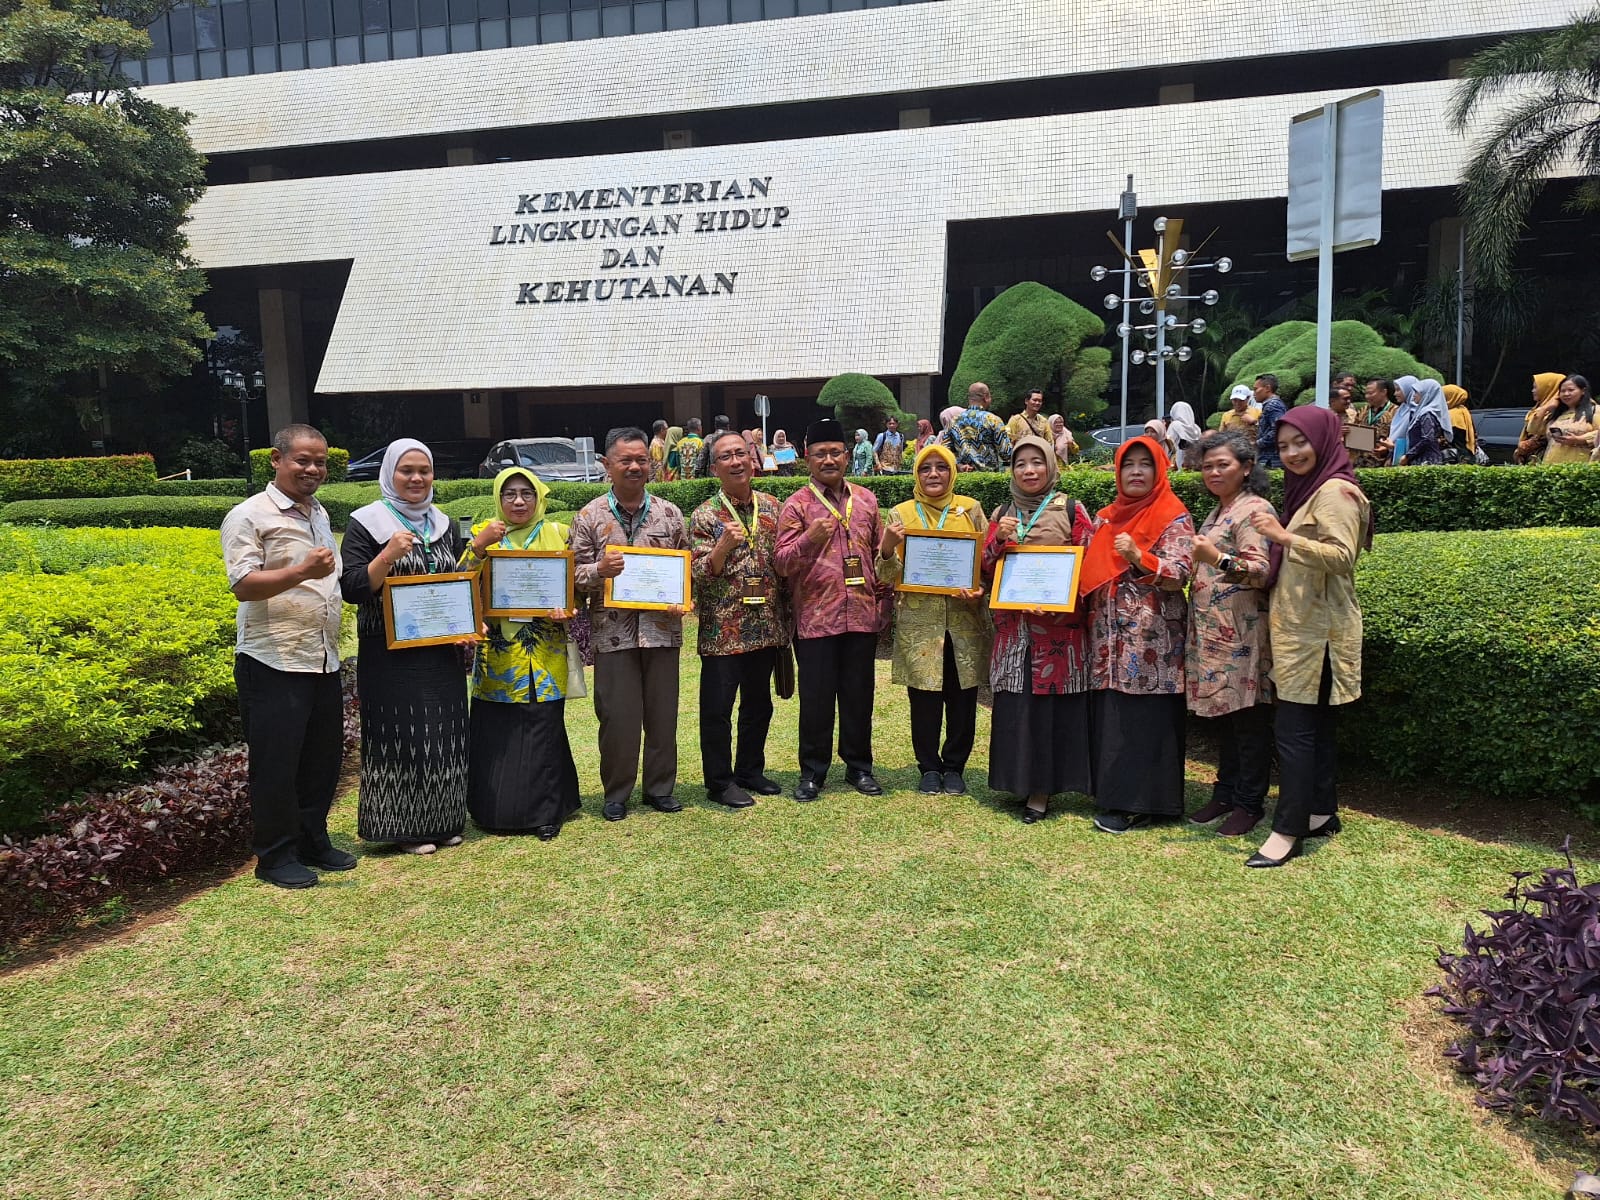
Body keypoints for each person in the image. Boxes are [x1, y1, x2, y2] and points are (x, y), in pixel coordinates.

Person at [341, 438, 488, 854]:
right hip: (389, 653)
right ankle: (403, 828)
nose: (417, 478)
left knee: (443, 732)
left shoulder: (439, 521)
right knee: (401, 733)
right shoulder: (367, 523)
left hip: (440, 651)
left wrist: (465, 620)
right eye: (407, 470)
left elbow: (458, 579)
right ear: (390, 474)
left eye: (424, 470)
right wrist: (386, 554)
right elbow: (352, 587)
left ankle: (442, 821)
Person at [221, 424, 352, 889]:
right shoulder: (249, 515)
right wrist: (302, 571)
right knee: (276, 764)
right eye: (302, 460)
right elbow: (242, 585)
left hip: (321, 658)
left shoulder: (317, 512)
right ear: (276, 459)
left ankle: (312, 839)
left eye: (320, 462)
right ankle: (275, 856)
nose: (312, 469)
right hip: (272, 660)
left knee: (321, 759)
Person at [1246, 406, 1372, 868]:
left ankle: (1288, 830)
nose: (1293, 453)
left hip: (1316, 635)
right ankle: (1321, 812)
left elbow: (1342, 556)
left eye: (1301, 442)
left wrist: (1282, 537)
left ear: (1325, 439)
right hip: (1303, 629)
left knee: (1294, 733)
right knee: (1313, 731)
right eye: (1283, 446)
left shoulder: (1337, 492)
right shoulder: (1311, 489)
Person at [569, 427, 692, 821]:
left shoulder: (669, 514)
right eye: (626, 460)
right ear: (607, 465)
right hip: (613, 634)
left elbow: (685, 567)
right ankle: (616, 793)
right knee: (618, 718)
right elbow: (569, 575)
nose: (635, 466)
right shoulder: (589, 516)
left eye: (642, 459)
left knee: (662, 716)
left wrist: (681, 599)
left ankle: (660, 789)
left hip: (661, 632)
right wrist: (598, 570)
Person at [458, 468, 580, 841]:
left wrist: (569, 609)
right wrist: (479, 548)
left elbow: (574, 587)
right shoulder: (483, 533)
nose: (518, 502)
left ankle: (547, 813)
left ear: (539, 497)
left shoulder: (558, 533)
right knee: (497, 731)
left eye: (527, 493)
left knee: (543, 728)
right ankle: (491, 809)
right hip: (499, 653)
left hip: (545, 649)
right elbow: (458, 581)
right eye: (509, 494)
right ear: (498, 498)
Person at [981, 437, 1095, 822]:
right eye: (1021, 464)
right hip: (1014, 633)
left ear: (1050, 466)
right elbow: (982, 567)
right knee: (1016, 706)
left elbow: (1090, 566)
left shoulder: (1071, 510)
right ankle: (1016, 780)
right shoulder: (1002, 512)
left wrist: (1061, 598)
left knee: (1048, 712)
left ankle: (1042, 792)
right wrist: (996, 541)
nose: (1029, 471)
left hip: (1057, 635)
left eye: (1037, 462)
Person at [1084, 435, 1194, 833]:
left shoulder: (1173, 515)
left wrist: (1138, 556)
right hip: (1106, 642)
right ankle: (1113, 796)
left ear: (1159, 470)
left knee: (1149, 720)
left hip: (1153, 643)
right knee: (1114, 718)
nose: (1135, 471)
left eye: (1145, 464)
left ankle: (1151, 801)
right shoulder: (1106, 517)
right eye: (1127, 464)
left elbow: (1180, 572)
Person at [775, 417, 885, 801]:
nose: (828, 460)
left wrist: (882, 601)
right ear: (807, 458)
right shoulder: (797, 506)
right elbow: (782, 563)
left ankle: (859, 767)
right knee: (817, 701)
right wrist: (809, 539)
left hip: (861, 616)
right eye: (820, 453)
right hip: (816, 620)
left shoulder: (867, 500)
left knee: (859, 696)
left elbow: (877, 557)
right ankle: (812, 772)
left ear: (846, 455)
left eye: (835, 452)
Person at [877, 442, 991, 795]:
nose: (934, 475)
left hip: (963, 620)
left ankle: (955, 767)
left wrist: (981, 588)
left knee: (962, 698)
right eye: (926, 469)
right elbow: (885, 575)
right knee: (923, 699)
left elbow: (986, 562)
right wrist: (885, 547)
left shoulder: (969, 510)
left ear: (953, 472)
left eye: (941, 468)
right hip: (920, 624)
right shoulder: (900, 514)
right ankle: (928, 767)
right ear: (916, 474)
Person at [689, 429, 791, 808]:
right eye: (726, 457)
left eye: (740, 454)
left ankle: (750, 769)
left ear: (752, 458)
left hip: (765, 625)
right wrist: (722, 546)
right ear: (715, 468)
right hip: (723, 629)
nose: (736, 462)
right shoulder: (704, 514)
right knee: (717, 709)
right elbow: (698, 572)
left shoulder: (772, 507)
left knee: (758, 705)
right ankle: (719, 781)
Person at [1185, 430, 1276, 837]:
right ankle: (1225, 793)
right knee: (1226, 718)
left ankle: (1249, 802)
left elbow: (1260, 571)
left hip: (1243, 636)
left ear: (1246, 467)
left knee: (1249, 721)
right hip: (1216, 635)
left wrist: (1216, 558)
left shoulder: (1254, 510)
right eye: (1207, 466)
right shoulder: (1221, 510)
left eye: (1223, 464)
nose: (1214, 472)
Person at [1522, 374, 1597, 465]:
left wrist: (1579, 439)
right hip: (1552, 466)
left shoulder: (1595, 410)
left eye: (1571, 390)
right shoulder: (1557, 414)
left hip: (1580, 467)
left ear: (1583, 391)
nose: (1566, 394)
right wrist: (1546, 407)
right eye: (1562, 391)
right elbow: (1532, 429)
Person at [942, 382, 1013, 472]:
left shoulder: (954, 421)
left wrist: (958, 465)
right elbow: (1006, 453)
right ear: (986, 397)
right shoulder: (993, 420)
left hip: (963, 477)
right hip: (988, 477)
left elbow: (944, 450)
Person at [1397, 379, 1452, 466]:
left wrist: (1408, 456)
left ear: (1427, 394)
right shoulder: (1422, 413)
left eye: (1417, 392)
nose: (1414, 396)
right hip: (1423, 459)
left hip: (1426, 461)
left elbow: (1427, 438)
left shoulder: (1427, 414)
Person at [1354, 378, 1399, 468]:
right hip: (1360, 461)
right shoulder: (1363, 411)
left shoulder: (1396, 411)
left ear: (1384, 392)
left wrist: (1388, 448)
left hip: (1383, 462)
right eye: (1366, 393)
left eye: (1371, 393)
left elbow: (1400, 436)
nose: (1367, 396)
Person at [1254, 374, 1288, 468]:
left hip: (1271, 459)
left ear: (1267, 388)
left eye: (1256, 389)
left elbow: (1277, 430)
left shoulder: (1273, 406)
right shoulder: (1270, 405)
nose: (1254, 393)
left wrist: (1258, 443)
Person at [1443, 385, 1478, 461]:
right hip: (1469, 455)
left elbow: (1449, 438)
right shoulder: (1464, 411)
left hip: (1456, 458)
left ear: (1450, 397)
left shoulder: (1452, 415)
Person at [1166, 401, 1204, 469]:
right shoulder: (1197, 428)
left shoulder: (1175, 425)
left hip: (1178, 462)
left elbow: (1169, 444)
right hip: (1194, 462)